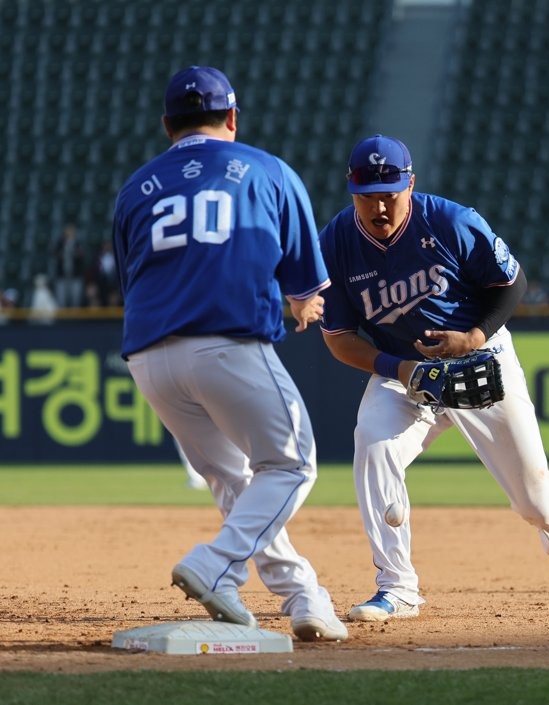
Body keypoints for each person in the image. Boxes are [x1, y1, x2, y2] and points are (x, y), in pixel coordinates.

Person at [318, 134, 549, 622]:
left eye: (390, 192)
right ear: (352, 191)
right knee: (374, 444)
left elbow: (512, 284)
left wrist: (473, 335)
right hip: (404, 373)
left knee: (533, 500)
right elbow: (340, 339)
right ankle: (397, 587)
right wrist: (400, 368)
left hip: (479, 360)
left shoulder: (450, 221)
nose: (379, 205)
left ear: (410, 184)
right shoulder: (338, 243)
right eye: (368, 195)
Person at [112, 65, 347, 642]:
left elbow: (134, 279)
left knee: (236, 481)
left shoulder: (135, 188)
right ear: (233, 118)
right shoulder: (268, 171)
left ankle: (303, 597)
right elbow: (307, 289)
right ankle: (216, 565)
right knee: (291, 465)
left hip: (150, 358)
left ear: (167, 125)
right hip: (227, 342)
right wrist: (304, 308)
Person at [50, 221, 87, 308]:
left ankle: (75, 320)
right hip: (62, 275)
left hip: (75, 275)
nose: (69, 232)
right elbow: (53, 253)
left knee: (75, 300)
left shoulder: (78, 243)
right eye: (68, 230)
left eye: (71, 230)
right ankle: (61, 320)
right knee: (61, 300)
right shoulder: (60, 243)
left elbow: (83, 255)